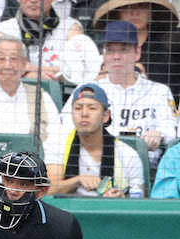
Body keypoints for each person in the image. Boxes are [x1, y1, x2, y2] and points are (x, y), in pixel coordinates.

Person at [74, 20, 176, 166]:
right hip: (96, 168)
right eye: (110, 50)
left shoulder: (159, 91)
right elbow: (65, 128)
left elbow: (171, 131)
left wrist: (159, 134)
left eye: (123, 49)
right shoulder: (88, 90)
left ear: (137, 52)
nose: (116, 56)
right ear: (103, 55)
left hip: (146, 168)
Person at [45, 82, 145, 197]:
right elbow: (47, 191)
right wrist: (77, 180)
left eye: (92, 108)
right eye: (78, 108)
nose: (84, 113)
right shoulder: (57, 146)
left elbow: (139, 199)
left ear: (106, 116)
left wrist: (122, 198)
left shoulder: (128, 154)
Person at [0, 0, 102, 85]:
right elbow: (3, 69)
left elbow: (79, 70)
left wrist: (33, 70)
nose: (33, 1)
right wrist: (30, 76)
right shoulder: (4, 29)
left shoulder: (71, 27)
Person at [91, 0, 180, 101]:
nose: (135, 13)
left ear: (151, 11)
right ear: (118, 12)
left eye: (141, 6)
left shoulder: (172, 43)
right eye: (128, 7)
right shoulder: (103, 47)